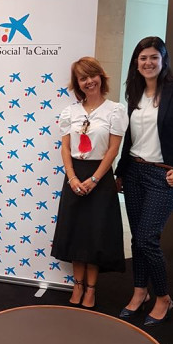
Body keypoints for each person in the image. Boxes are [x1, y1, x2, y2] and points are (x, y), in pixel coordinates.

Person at [115, 36, 173, 325]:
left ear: (163, 59)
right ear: (136, 63)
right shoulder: (135, 92)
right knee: (137, 241)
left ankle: (163, 297)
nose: (148, 62)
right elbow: (131, 138)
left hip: (164, 175)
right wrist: (120, 171)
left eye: (154, 57)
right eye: (143, 58)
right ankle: (139, 291)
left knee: (146, 238)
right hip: (133, 173)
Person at [51, 57, 128, 309]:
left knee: (95, 235)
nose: (88, 81)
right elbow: (65, 148)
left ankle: (91, 289)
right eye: (82, 78)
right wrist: (72, 177)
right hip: (74, 175)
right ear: (77, 84)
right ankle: (77, 285)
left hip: (100, 177)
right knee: (75, 233)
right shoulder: (69, 112)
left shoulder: (115, 110)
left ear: (101, 77)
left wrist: (95, 179)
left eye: (92, 76)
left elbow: (113, 149)